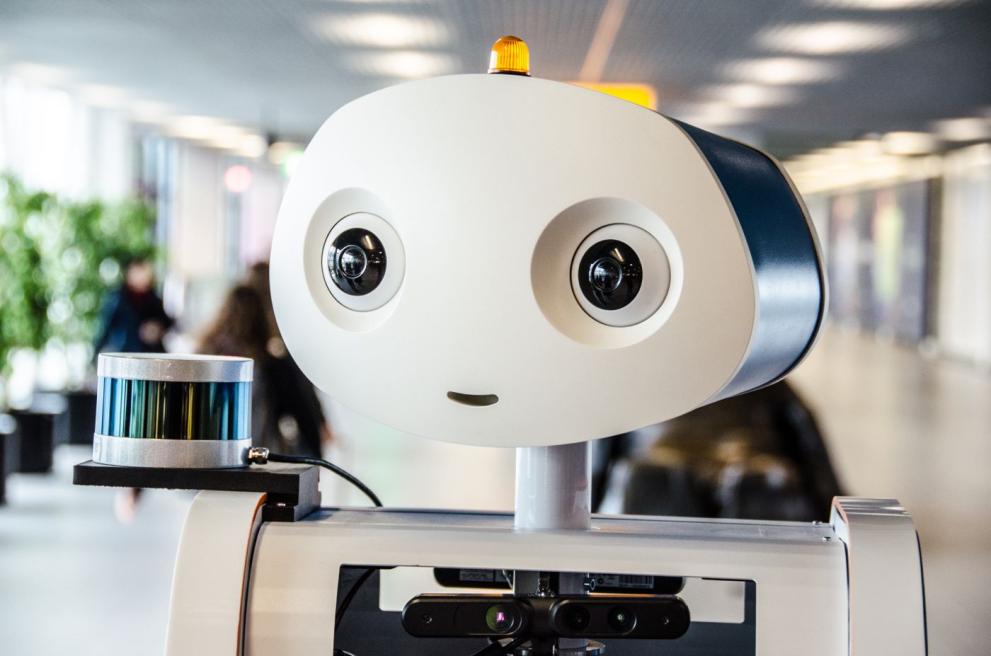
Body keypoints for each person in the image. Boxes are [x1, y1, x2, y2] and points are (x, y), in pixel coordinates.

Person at [199, 284, 330, 457]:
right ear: (261, 320)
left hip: (209, 458)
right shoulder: (270, 365)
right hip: (257, 462)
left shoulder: (205, 355)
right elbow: (301, 412)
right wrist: (315, 458)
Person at [94, 257, 173, 354]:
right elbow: (106, 327)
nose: (141, 276)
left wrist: (157, 328)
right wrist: (96, 353)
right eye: (137, 272)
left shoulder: (154, 299)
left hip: (150, 353)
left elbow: (167, 322)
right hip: (125, 352)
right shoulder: (117, 299)